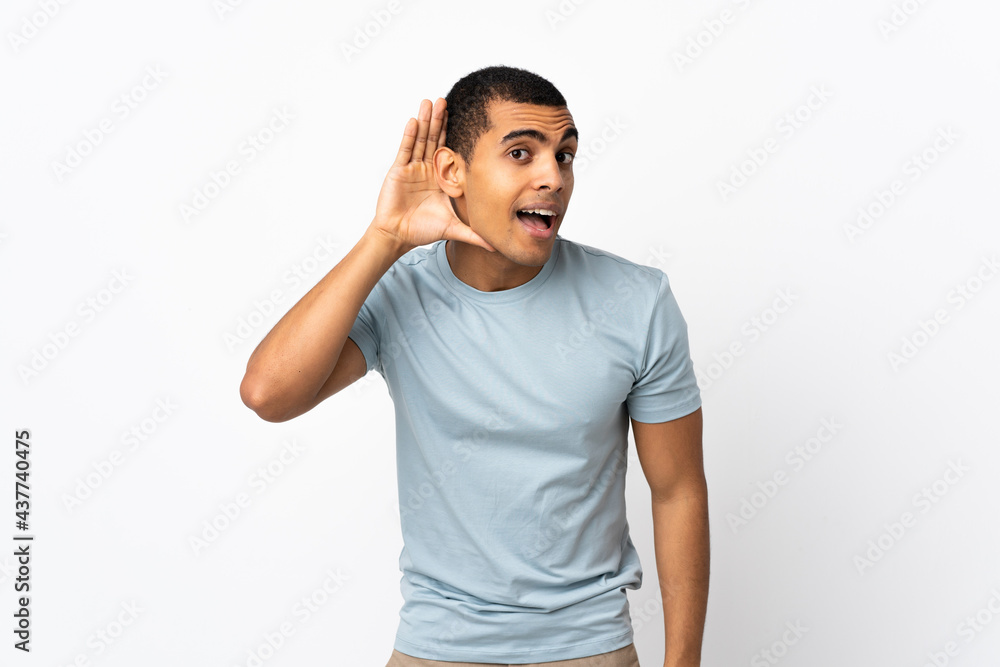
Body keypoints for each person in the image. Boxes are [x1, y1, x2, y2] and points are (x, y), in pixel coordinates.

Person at [240, 65, 709, 667]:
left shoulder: (636, 301)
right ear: (451, 172)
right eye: (521, 152)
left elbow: (677, 492)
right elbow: (268, 394)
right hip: (437, 647)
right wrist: (384, 236)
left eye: (564, 155)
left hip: (589, 646)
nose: (554, 177)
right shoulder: (399, 293)